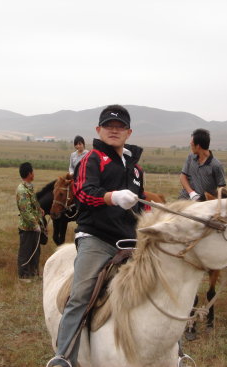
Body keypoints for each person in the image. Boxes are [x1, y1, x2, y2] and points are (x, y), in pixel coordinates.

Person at [47, 105, 144, 367]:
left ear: (129, 132)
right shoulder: (91, 159)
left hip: (130, 242)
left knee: (159, 285)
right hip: (96, 239)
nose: (114, 130)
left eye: (120, 126)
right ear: (98, 130)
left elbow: (139, 206)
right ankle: (64, 356)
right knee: (80, 294)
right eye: (109, 126)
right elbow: (83, 192)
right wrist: (111, 196)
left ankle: (175, 353)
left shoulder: (136, 170)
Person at [178, 128, 226, 341]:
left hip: (206, 208)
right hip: (187, 202)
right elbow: (183, 177)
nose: (190, 146)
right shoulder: (190, 158)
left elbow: (222, 189)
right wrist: (190, 192)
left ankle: (223, 259)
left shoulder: (216, 165)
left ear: (199, 145)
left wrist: (212, 203)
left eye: (191, 143)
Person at [16, 162, 46, 283]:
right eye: (32, 171)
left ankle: (34, 274)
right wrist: (35, 225)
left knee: (35, 251)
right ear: (29, 174)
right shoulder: (22, 190)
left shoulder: (30, 187)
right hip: (27, 227)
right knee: (25, 251)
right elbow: (25, 211)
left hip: (35, 226)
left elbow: (34, 203)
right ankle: (23, 276)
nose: (34, 173)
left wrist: (40, 210)